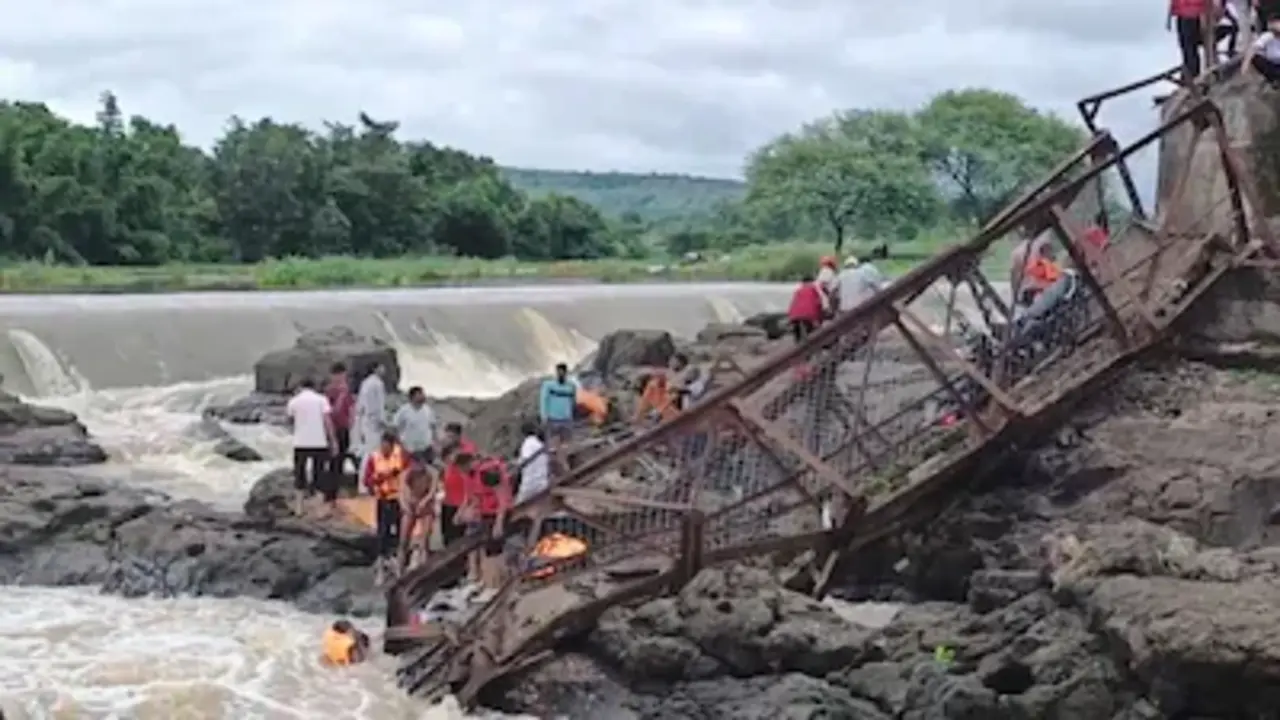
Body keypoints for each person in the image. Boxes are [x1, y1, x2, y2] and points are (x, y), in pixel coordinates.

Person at [362, 430, 410, 584]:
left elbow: (410, 474)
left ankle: (398, 563)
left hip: (399, 499)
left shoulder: (401, 457)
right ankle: (382, 563)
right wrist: (379, 479)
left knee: (399, 530)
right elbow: (367, 479)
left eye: (387, 445)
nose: (384, 448)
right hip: (382, 499)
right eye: (382, 445)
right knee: (382, 532)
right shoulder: (374, 458)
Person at [459, 453, 513, 589]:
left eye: (463, 468)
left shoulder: (488, 472)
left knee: (494, 552)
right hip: (486, 514)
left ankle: (498, 585)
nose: (463, 473)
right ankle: (491, 582)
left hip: (497, 514)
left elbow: (503, 498)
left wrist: (499, 523)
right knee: (487, 550)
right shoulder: (473, 475)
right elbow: (476, 496)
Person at [286, 377, 335, 516]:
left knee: (300, 473)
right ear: (314, 387)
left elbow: (290, 420)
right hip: (319, 442)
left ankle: (299, 508)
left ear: (301, 387)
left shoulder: (294, 401)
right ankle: (319, 510)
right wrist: (333, 440)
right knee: (319, 473)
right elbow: (328, 422)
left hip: (300, 442)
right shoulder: (321, 400)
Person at [438, 422, 476, 550]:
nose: (448, 439)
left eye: (451, 436)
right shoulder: (446, 449)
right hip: (448, 498)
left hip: (462, 498)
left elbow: (459, 459)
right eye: (447, 436)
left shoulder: (467, 448)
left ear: (458, 436)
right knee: (446, 534)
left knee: (460, 536)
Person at [400, 460, 437, 571]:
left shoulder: (432, 472)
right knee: (403, 540)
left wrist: (424, 502)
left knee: (424, 541)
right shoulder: (406, 473)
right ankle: (400, 567)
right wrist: (407, 506)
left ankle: (424, 566)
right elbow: (402, 492)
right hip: (411, 503)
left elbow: (432, 491)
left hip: (426, 506)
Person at [353, 363, 388, 474]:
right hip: (374, 422)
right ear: (375, 369)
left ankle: (363, 478)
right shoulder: (378, 384)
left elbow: (360, 404)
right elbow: (379, 405)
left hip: (364, 421)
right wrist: (383, 421)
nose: (384, 369)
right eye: (381, 367)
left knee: (367, 451)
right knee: (373, 452)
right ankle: (369, 477)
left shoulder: (365, 382)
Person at [324, 362, 356, 480]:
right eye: (341, 376)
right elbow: (332, 411)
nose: (343, 379)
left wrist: (352, 424)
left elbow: (352, 408)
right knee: (334, 460)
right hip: (333, 428)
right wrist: (342, 395)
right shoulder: (330, 392)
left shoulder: (347, 391)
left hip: (345, 428)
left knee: (342, 458)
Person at [392, 386, 437, 468]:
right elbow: (395, 427)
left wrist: (434, 442)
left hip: (426, 447)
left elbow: (433, 426)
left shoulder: (427, 410)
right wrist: (400, 444)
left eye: (423, 393)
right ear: (412, 397)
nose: (423, 396)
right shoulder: (404, 411)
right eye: (419, 394)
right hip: (410, 449)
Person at [1169, 0, 1211, 83]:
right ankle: (1188, 74)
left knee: (1190, 45)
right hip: (1182, 13)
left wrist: (1202, 15)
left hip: (1192, 13)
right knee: (1184, 45)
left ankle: (1193, 74)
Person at [539, 363, 578, 444]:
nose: (560, 375)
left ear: (566, 373)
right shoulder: (548, 385)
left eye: (562, 373)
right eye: (559, 372)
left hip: (566, 419)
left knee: (566, 444)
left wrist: (572, 415)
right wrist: (544, 416)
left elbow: (573, 401)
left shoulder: (571, 386)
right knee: (553, 445)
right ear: (556, 373)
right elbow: (543, 400)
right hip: (552, 419)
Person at [516, 420, 549, 506]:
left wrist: (517, 465)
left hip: (531, 483)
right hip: (542, 480)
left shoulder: (527, 444)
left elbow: (525, 460)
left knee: (519, 505)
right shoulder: (539, 443)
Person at [787, 273, 824, 344]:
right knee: (812, 334)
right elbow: (819, 303)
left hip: (795, 315)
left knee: (797, 336)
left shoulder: (798, 290)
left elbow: (793, 304)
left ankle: (797, 345)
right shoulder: (815, 289)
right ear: (812, 282)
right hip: (809, 316)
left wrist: (790, 317)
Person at [1244, 15, 1280, 82]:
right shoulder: (1268, 36)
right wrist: (1245, 64)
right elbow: (1253, 48)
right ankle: (1273, 79)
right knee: (1255, 57)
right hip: (1272, 64)